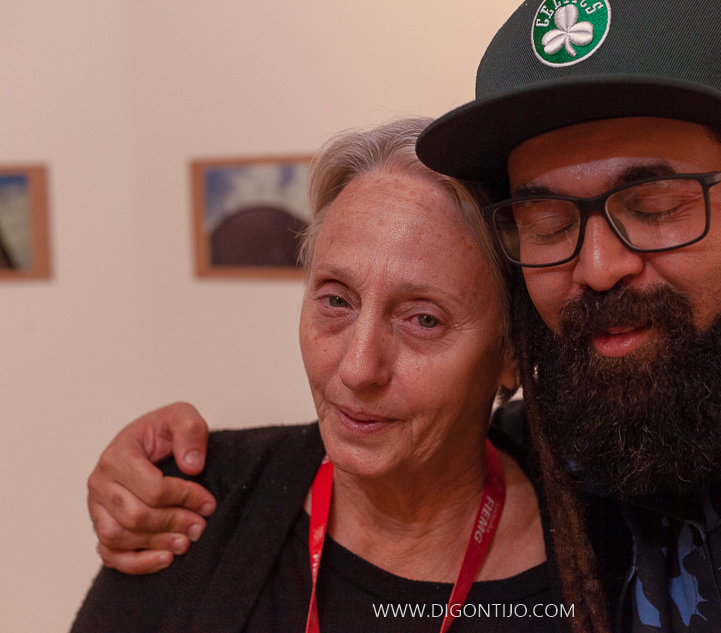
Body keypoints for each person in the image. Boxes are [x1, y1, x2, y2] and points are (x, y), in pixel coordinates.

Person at [85, 1, 721, 632]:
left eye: (654, 206)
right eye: (547, 220)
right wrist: (165, 469)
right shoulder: (573, 437)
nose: (598, 266)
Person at [72, 118, 572, 633]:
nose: (357, 368)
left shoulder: (597, 543)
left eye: (424, 320)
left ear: (512, 351)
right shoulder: (191, 508)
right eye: (336, 300)